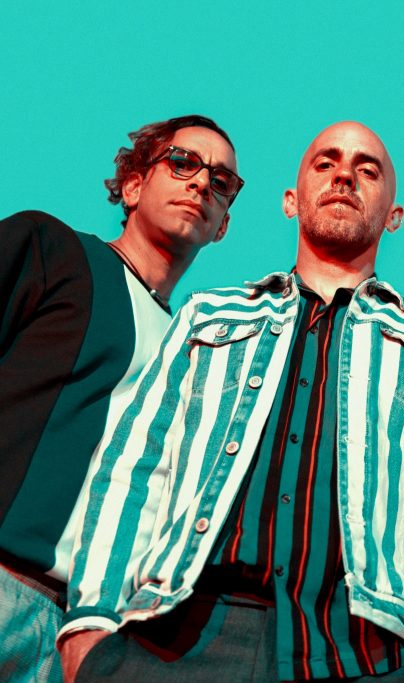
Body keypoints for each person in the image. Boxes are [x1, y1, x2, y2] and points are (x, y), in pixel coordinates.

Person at [56, 121, 404, 683]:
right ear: (290, 201)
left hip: (358, 652)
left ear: (394, 215)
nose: (344, 175)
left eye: (367, 169)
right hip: (178, 639)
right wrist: (89, 630)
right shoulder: (209, 316)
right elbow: (136, 463)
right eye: (325, 163)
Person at [0, 114, 239, 683]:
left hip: (82, 644)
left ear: (223, 226)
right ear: (133, 186)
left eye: (221, 181)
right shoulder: (51, 251)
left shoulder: (199, 360)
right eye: (182, 163)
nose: (200, 183)